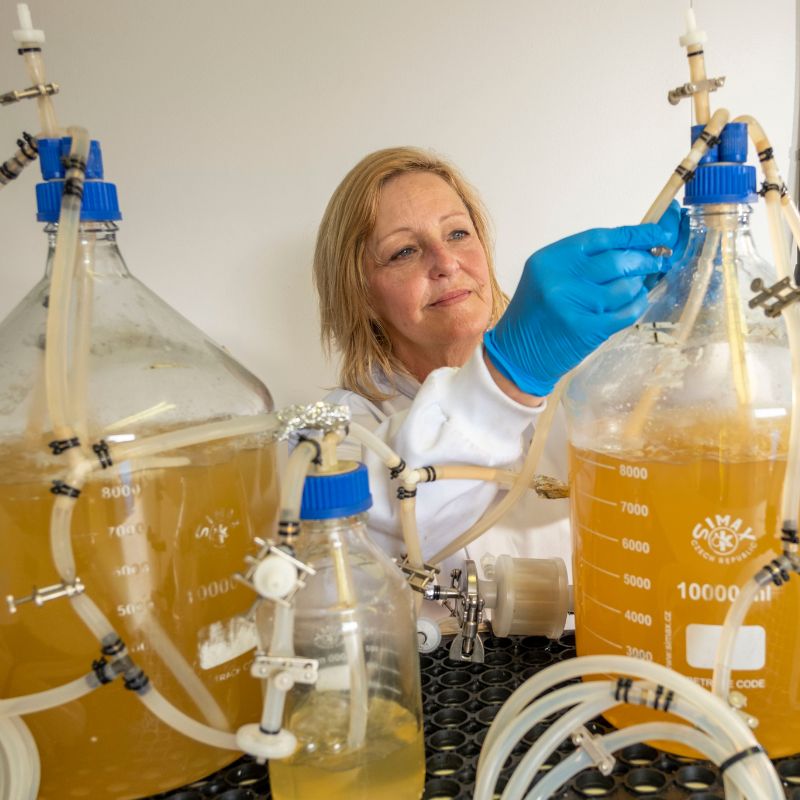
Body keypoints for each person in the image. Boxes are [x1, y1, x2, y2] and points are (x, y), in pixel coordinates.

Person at [313, 146, 680, 598]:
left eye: (458, 234)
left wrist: (690, 321)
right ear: (360, 294)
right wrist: (510, 375)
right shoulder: (335, 436)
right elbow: (370, 536)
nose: (446, 263)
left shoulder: (587, 388)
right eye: (404, 251)